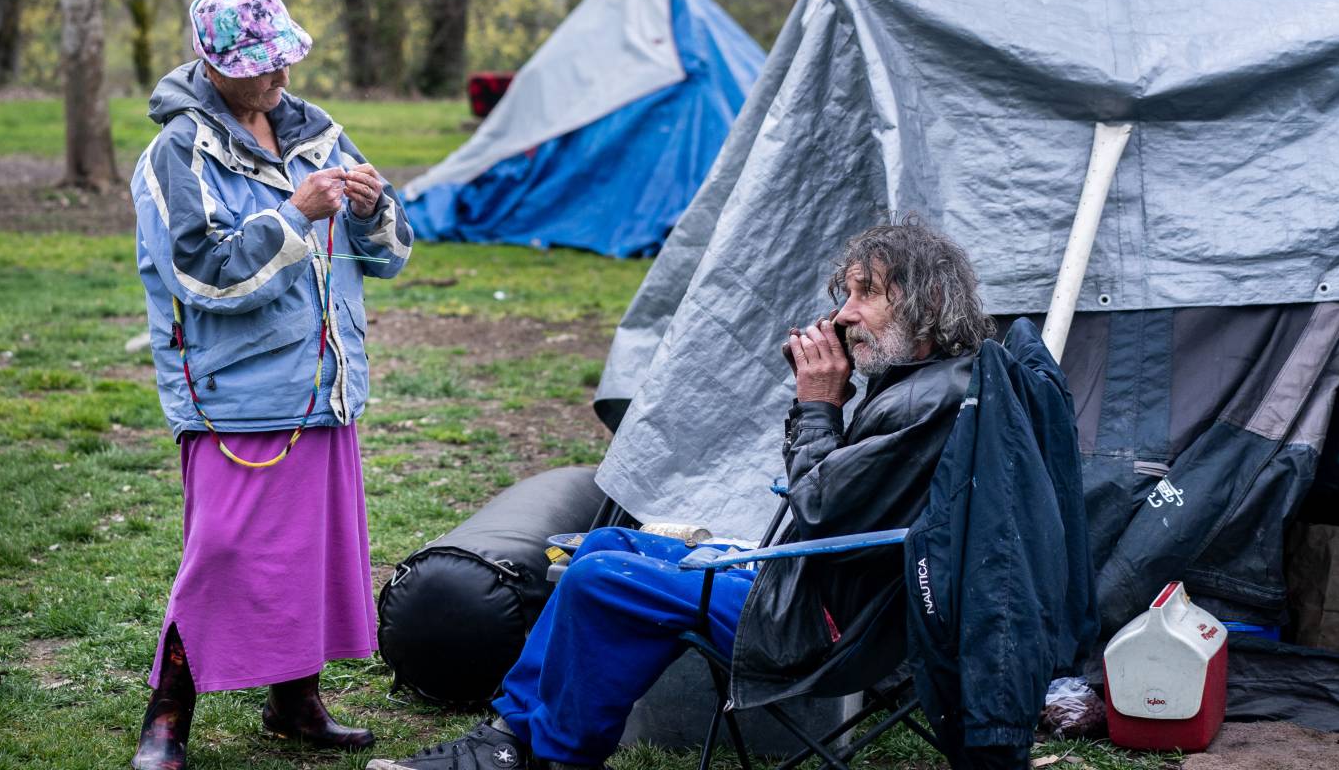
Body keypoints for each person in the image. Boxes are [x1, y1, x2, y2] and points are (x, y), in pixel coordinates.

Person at [369, 217, 995, 770]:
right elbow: (836, 500)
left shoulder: (920, 401)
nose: (845, 313)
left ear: (928, 302)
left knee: (603, 579)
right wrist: (824, 405)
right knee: (608, 542)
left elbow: (821, 507)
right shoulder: (930, 381)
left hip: (827, 625)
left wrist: (817, 404)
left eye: (868, 294)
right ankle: (509, 737)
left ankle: (553, 754)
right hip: (833, 592)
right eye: (847, 293)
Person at [127, 0, 413, 770]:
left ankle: (295, 705)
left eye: (285, 56)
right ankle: (167, 717)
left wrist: (368, 208)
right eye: (260, 63)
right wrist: (295, 216)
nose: (279, 74)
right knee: (220, 553)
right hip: (235, 395)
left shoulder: (321, 134)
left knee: (311, 554)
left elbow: (390, 256)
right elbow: (203, 274)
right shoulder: (176, 154)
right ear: (211, 63)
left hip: (324, 388)